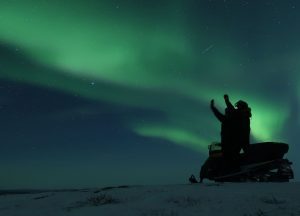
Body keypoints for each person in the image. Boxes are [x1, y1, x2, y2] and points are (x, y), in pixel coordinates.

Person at [210, 94, 251, 168]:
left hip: (232, 142)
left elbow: (229, 111)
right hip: (234, 142)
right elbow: (225, 114)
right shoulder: (240, 117)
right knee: (228, 157)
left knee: (228, 157)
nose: (227, 113)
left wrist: (226, 101)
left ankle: (231, 168)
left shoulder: (238, 116)